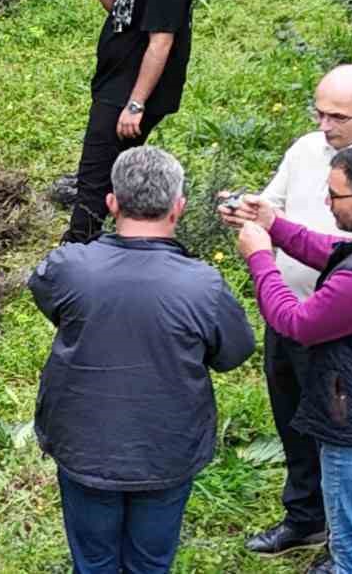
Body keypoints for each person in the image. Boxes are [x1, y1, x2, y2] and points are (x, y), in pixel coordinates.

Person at [29, 146, 255, 574]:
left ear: (112, 203)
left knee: (93, 561)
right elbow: (234, 353)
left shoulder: (70, 267)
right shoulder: (203, 285)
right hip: (166, 449)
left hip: (84, 448)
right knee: (150, 561)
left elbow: (47, 297)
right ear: (179, 207)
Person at [242, 66, 352, 564]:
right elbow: (328, 247)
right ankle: (309, 522)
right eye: (319, 112)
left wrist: (260, 259)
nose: (326, 203)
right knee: (297, 427)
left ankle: (343, 551)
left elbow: (302, 321)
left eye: (335, 197)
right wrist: (271, 223)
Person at [63, 0, 192, 243]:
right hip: (118, 88)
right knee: (112, 176)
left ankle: (76, 251)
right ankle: (116, 244)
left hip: (126, 94)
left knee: (94, 181)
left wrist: (135, 104)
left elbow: (161, 43)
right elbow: (133, 20)